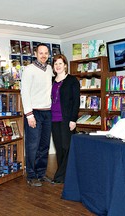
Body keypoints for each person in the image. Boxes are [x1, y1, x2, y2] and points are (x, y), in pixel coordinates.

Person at [20, 43, 53, 187]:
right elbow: (24, 92)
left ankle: (41, 173)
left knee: (44, 145)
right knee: (32, 145)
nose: (44, 55)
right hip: (34, 112)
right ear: (35, 54)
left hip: (47, 112)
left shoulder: (50, 69)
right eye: (41, 53)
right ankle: (31, 175)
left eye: (46, 53)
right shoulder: (29, 69)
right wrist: (29, 114)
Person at [51, 54, 80, 184]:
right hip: (53, 118)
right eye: (55, 64)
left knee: (66, 147)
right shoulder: (51, 81)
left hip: (67, 119)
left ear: (65, 66)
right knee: (59, 148)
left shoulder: (72, 80)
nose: (58, 66)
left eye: (60, 63)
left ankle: (60, 176)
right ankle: (64, 175)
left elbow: (76, 101)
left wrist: (73, 119)